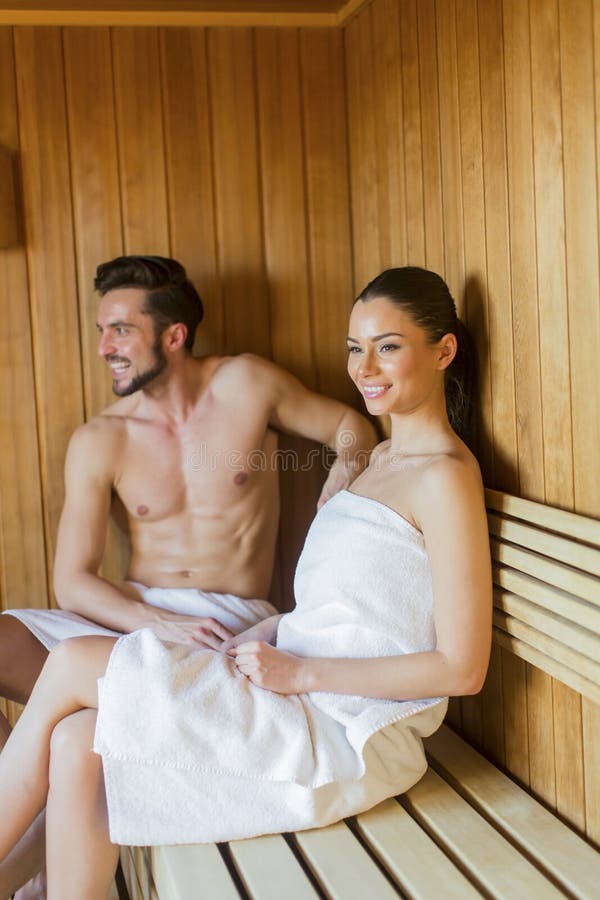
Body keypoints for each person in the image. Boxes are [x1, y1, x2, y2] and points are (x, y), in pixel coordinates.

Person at [0, 266, 492, 900]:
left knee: (71, 665)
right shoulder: (381, 468)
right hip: (285, 673)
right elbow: (338, 611)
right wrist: (264, 636)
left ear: (443, 350)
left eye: (388, 346)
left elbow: (462, 669)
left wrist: (300, 673)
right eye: (354, 348)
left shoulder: (442, 477)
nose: (364, 367)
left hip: (343, 727)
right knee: (75, 741)